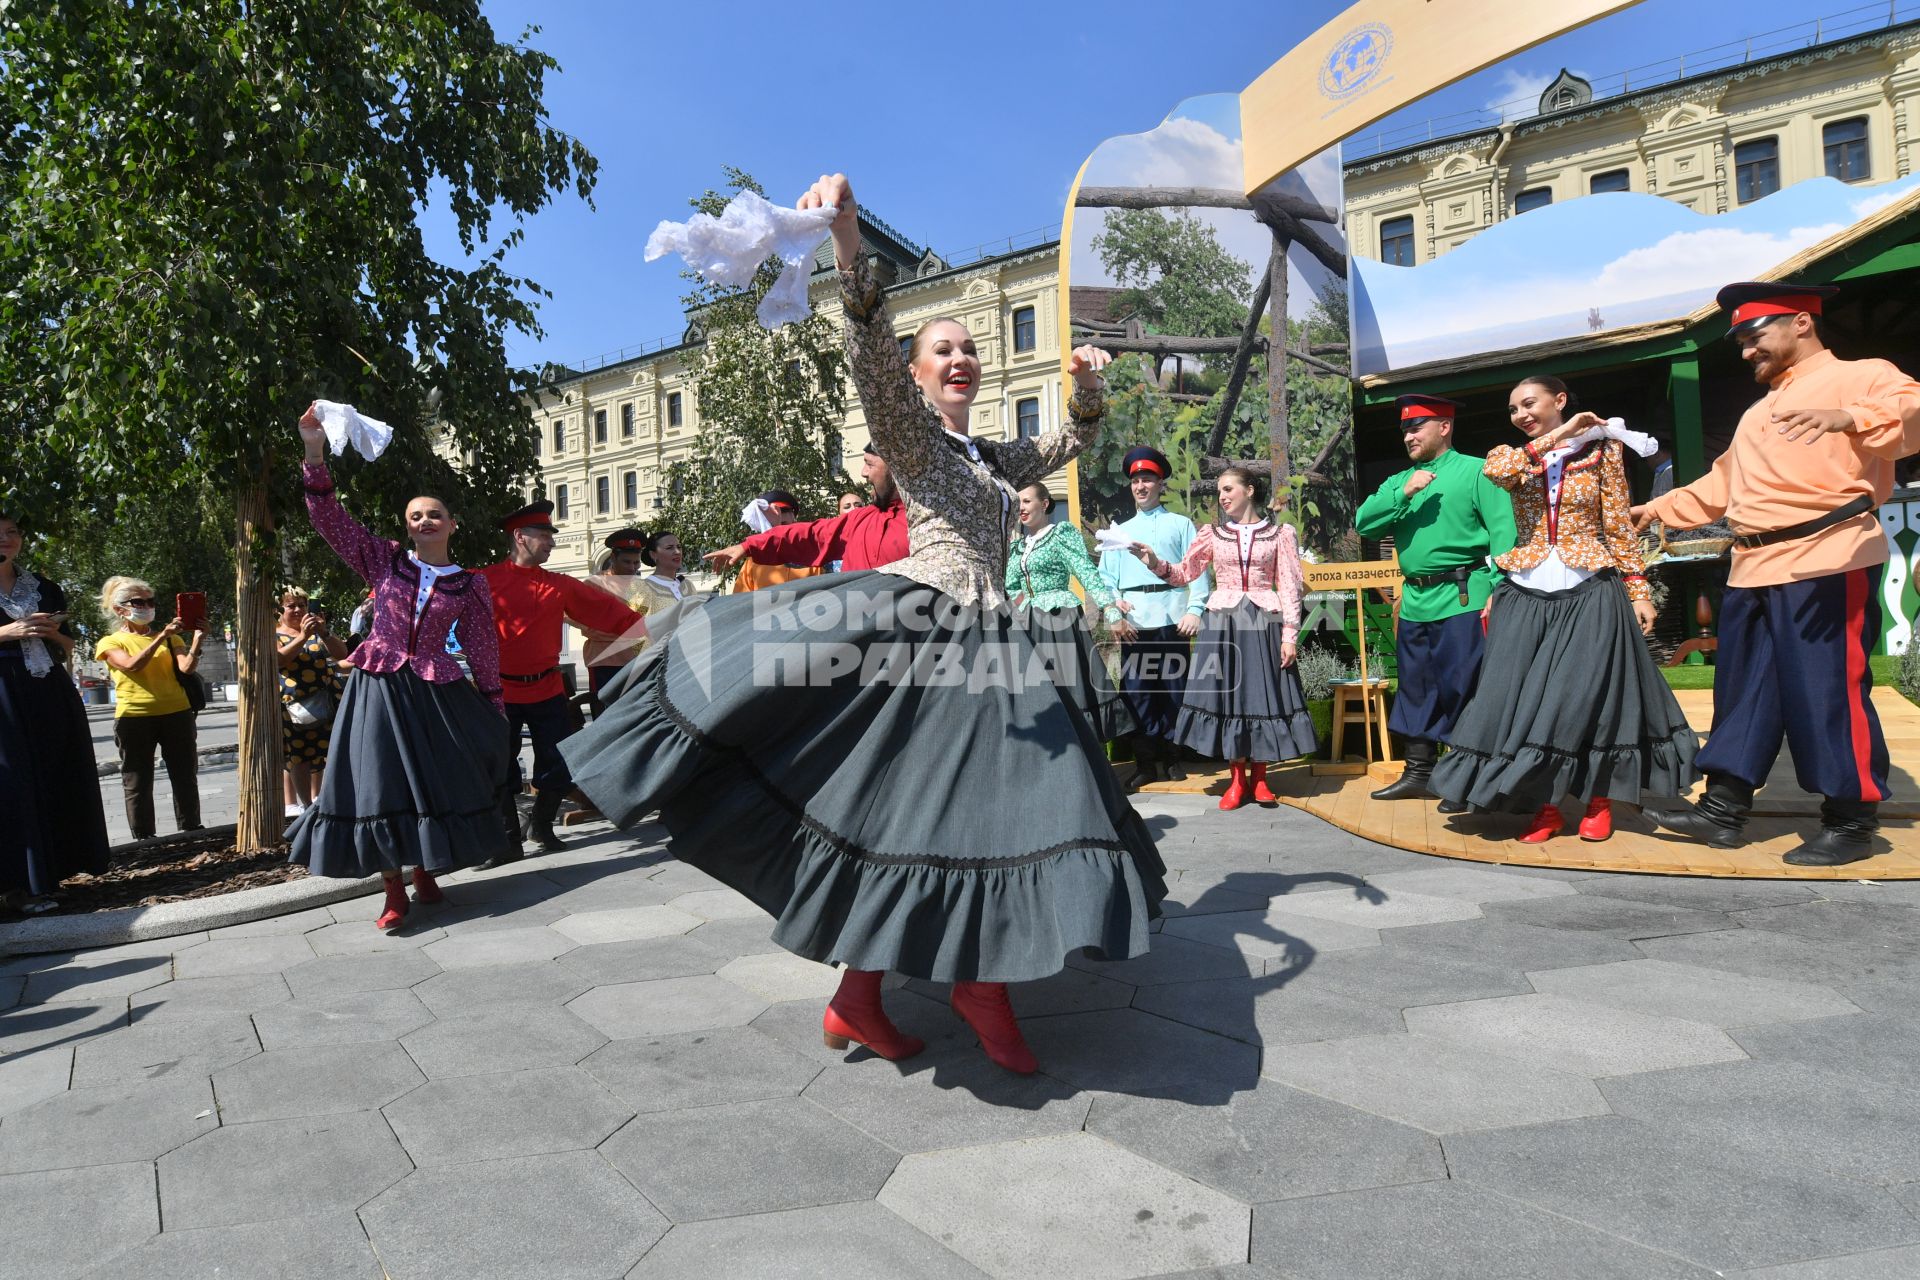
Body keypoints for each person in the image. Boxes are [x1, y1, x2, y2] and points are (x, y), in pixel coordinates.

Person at [562, 172, 1164, 1077]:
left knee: (933, 816)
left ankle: (860, 998)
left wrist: (1082, 384)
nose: (959, 359)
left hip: (993, 637)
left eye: (968, 349)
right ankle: (978, 988)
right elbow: (871, 359)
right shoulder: (913, 434)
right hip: (931, 629)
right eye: (942, 351)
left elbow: (1069, 444)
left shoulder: (990, 454)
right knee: (953, 813)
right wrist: (848, 246)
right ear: (921, 376)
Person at [1633, 282, 1920, 866]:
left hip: (1829, 557)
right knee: (1743, 693)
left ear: (1801, 323)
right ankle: (1723, 809)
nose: (1745, 351)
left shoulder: (1864, 374)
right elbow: (1723, 484)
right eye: (1739, 341)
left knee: (1827, 692)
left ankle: (1851, 819)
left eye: (1753, 336)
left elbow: (1912, 415)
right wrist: (1656, 509)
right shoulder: (1758, 411)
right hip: (1750, 565)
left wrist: (1849, 416)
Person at [1430, 376, 1699, 841]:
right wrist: (1560, 433)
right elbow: (1500, 474)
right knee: (1518, 700)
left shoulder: (1604, 452)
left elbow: (1617, 525)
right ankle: (1544, 809)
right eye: (1513, 409)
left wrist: (1637, 588)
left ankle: (1599, 800)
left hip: (1591, 588)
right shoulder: (1508, 456)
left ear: (1558, 399)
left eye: (1529, 404)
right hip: (1525, 590)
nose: (1521, 415)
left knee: (1586, 699)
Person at [290, 405, 516, 929]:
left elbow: (483, 647)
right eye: (414, 515)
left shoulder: (470, 582)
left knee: (435, 781)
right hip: (378, 689)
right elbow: (328, 518)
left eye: (433, 514)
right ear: (407, 527)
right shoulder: (384, 560)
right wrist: (313, 450)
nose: (423, 520)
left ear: (452, 524)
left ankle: (426, 870)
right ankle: (393, 889)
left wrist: (493, 703)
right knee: (379, 783)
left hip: (437, 690)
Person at [1355, 395, 1517, 806]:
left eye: (1417, 427)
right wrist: (1403, 493)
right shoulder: (1399, 481)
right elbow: (1364, 522)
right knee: (1415, 688)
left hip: (1464, 595)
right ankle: (1420, 772)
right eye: (1406, 429)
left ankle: (1465, 779)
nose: (1408, 435)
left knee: (1463, 689)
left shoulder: (1477, 471)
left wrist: (1501, 588)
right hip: (1414, 601)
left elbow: (1504, 533)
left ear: (1444, 427)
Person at [1134, 467, 1315, 811]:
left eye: (1228, 489)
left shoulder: (1280, 533)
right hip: (1222, 623)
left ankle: (1260, 779)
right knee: (1229, 697)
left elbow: (1291, 585)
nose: (1222, 497)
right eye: (1220, 491)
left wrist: (1290, 635)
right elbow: (1184, 572)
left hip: (1263, 620)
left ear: (1249, 490)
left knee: (1263, 695)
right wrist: (1154, 562)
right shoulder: (1212, 533)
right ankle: (1235, 780)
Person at [478, 501, 649, 863]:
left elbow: (607, 612)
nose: (551, 543)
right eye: (544, 536)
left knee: (558, 762)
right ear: (520, 537)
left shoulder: (558, 585)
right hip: (500, 692)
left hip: (547, 688)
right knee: (500, 765)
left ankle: (542, 826)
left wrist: (656, 625)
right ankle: (508, 841)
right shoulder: (484, 580)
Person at [0, 510, 110, 913]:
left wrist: (54, 633)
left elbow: (67, 646)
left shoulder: (44, 587)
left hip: (45, 687)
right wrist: (6, 632)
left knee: (52, 774)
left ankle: (48, 877)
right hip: (3, 695)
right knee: (13, 785)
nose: (6, 539)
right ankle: (17, 887)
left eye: (12, 532)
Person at [1097, 446, 1209, 786]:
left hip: (1173, 619)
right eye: (1136, 481)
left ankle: (1174, 759)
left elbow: (1197, 569)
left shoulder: (1181, 524)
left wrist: (1195, 608)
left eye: (1148, 479)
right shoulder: (1120, 531)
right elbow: (1104, 578)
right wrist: (1114, 608)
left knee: (1175, 692)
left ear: (1161, 484)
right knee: (1138, 694)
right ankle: (1145, 764)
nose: (1141, 486)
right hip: (1135, 624)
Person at [1008, 481, 1136, 743]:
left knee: (1070, 687)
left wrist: (1111, 612)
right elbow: (1011, 586)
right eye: (1018, 502)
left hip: (1058, 619)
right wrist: (1021, 605)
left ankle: (1087, 760)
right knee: (1038, 692)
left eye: (1027, 501)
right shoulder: (1018, 547)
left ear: (1044, 504)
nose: (1021, 507)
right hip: (1030, 624)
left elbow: (1087, 573)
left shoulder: (1060, 534)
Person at [95, 575, 205, 841]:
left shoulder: (171, 638)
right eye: (138, 602)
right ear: (120, 609)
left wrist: (198, 638)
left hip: (177, 713)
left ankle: (191, 828)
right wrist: (161, 637)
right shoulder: (110, 642)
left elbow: (186, 668)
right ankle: (144, 837)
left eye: (150, 601)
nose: (146, 606)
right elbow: (132, 665)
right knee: (137, 780)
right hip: (135, 717)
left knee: (185, 774)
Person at [705, 444, 908, 577]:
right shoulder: (860, 519)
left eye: (869, 464)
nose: (863, 473)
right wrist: (750, 546)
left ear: (897, 467)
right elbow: (811, 535)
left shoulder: (926, 521)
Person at [275, 587, 347, 817]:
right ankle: (306, 806)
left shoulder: (316, 631)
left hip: (328, 702)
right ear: (280, 610)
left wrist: (324, 633)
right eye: (291, 606)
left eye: (302, 605)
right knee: (300, 756)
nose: (298, 610)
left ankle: (331, 799)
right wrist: (302, 636)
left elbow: (342, 654)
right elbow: (280, 659)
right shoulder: (274, 634)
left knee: (333, 752)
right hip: (296, 708)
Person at [584, 528, 650, 703]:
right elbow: (588, 626)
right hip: (604, 663)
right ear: (612, 558)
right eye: (626, 562)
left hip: (637, 662)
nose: (632, 568)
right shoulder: (594, 585)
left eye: (636, 563)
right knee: (605, 716)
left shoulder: (642, 587)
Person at [730, 490, 824, 593]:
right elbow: (741, 600)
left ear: (794, 520)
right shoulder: (753, 561)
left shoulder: (811, 556)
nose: (778, 515)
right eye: (771, 514)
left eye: (784, 511)